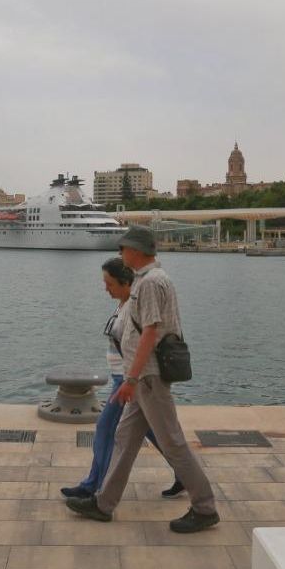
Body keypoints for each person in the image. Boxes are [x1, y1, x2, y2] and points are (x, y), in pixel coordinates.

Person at [65, 224, 219, 533]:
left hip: (147, 376)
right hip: (143, 376)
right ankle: (103, 503)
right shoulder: (151, 280)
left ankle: (204, 508)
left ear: (136, 250)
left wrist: (131, 378)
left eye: (123, 249)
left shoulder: (149, 283)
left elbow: (150, 330)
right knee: (125, 437)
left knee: (172, 442)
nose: (120, 254)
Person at [61, 257, 183, 501]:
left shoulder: (133, 307)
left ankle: (93, 486)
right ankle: (185, 474)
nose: (105, 288)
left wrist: (131, 379)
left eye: (109, 283)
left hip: (127, 381)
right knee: (153, 431)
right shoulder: (123, 303)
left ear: (126, 283)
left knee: (105, 428)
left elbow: (141, 343)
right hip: (124, 379)